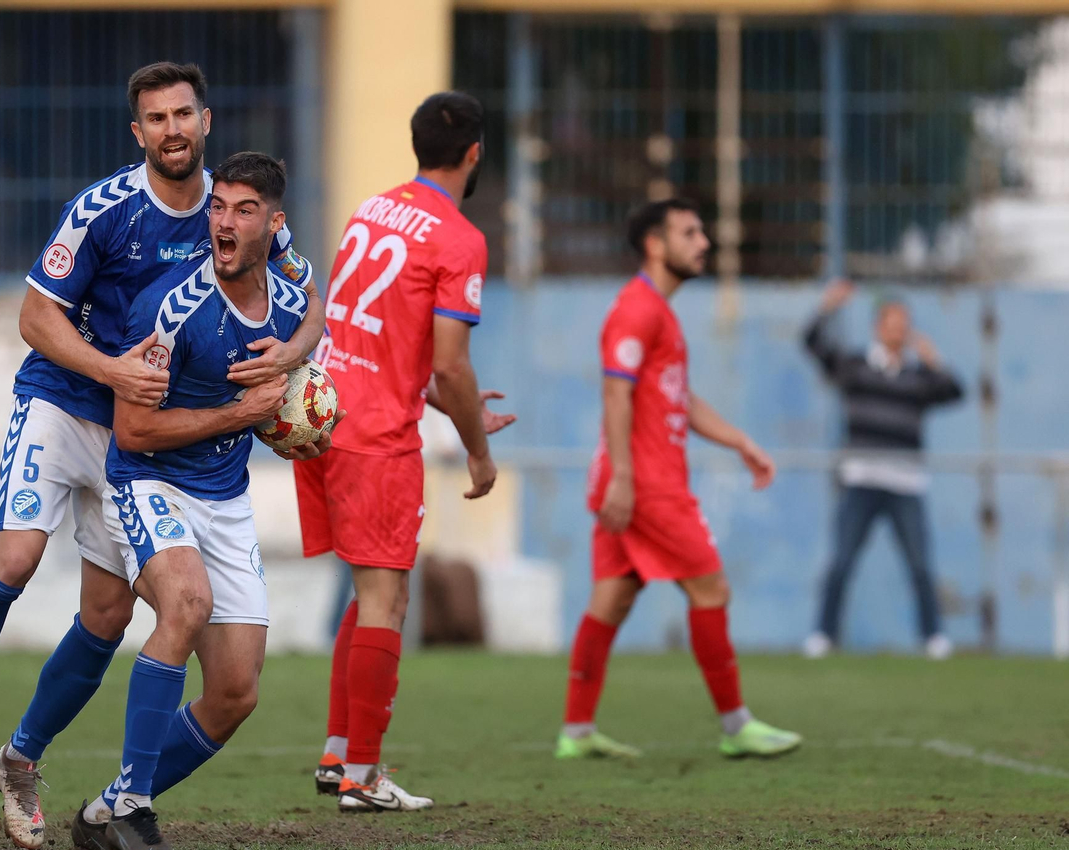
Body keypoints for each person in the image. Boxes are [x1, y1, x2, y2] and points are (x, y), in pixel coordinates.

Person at [0, 64, 326, 850]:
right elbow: (33, 317)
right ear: (138, 133)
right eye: (156, 119)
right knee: (15, 558)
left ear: (205, 122)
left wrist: (288, 358)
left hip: (146, 431)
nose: (173, 130)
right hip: (67, 402)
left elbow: (304, 292)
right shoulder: (104, 211)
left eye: (183, 114)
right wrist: (110, 368)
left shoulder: (237, 209)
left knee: (108, 615)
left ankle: (21, 760)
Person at [69, 151, 321, 850]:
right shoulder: (171, 308)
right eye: (219, 207)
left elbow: (316, 312)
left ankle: (107, 806)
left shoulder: (292, 293)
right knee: (186, 604)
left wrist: (292, 364)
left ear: (275, 227)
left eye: (245, 211)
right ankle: (138, 813)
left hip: (225, 500)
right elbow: (133, 431)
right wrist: (240, 411)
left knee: (237, 692)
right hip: (148, 483)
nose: (224, 221)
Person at [296, 91, 515, 812]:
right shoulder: (459, 237)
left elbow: (371, 338)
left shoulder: (371, 209)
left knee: (372, 594)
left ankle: (337, 755)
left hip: (325, 418)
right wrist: (478, 453)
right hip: (376, 439)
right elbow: (451, 364)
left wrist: (440, 399)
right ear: (476, 153)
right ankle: (363, 775)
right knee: (387, 598)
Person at [554, 198, 802, 762]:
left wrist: (739, 441)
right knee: (711, 588)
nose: (704, 242)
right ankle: (737, 725)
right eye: (691, 233)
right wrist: (623, 477)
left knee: (611, 600)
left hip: (633, 479)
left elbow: (675, 397)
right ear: (655, 245)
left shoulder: (660, 314)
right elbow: (615, 391)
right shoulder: (637, 309)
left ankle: (576, 731)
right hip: (646, 484)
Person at [801, 280, 963, 660]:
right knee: (841, 562)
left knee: (921, 566)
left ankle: (933, 637)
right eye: (891, 321)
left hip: (906, 482)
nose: (898, 329)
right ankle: (823, 635)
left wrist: (933, 360)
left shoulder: (919, 377)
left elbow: (955, 391)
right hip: (861, 479)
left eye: (904, 323)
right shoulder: (855, 367)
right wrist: (827, 308)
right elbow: (811, 343)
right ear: (878, 326)